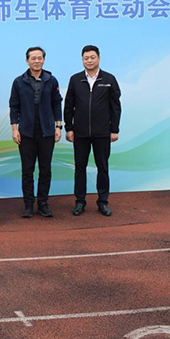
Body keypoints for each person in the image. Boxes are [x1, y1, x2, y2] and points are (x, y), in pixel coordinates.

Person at [63, 45, 121, 217]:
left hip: (102, 132)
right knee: (79, 168)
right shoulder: (75, 79)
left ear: (99, 58)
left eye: (92, 57)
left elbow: (115, 107)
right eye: (86, 58)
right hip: (80, 133)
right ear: (82, 60)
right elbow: (68, 106)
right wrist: (69, 128)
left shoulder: (109, 79)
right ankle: (80, 201)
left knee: (102, 167)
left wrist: (114, 129)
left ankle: (103, 202)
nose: (89, 60)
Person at [9, 46, 63, 218]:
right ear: (27, 61)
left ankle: (43, 204)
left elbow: (56, 103)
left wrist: (58, 126)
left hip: (47, 131)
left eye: (40, 58)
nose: (37, 61)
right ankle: (28, 205)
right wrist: (15, 129)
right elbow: (14, 106)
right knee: (27, 170)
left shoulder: (51, 80)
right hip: (26, 132)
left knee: (45, 169)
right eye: (33, 58)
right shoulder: (19, 82)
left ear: (44, 60)